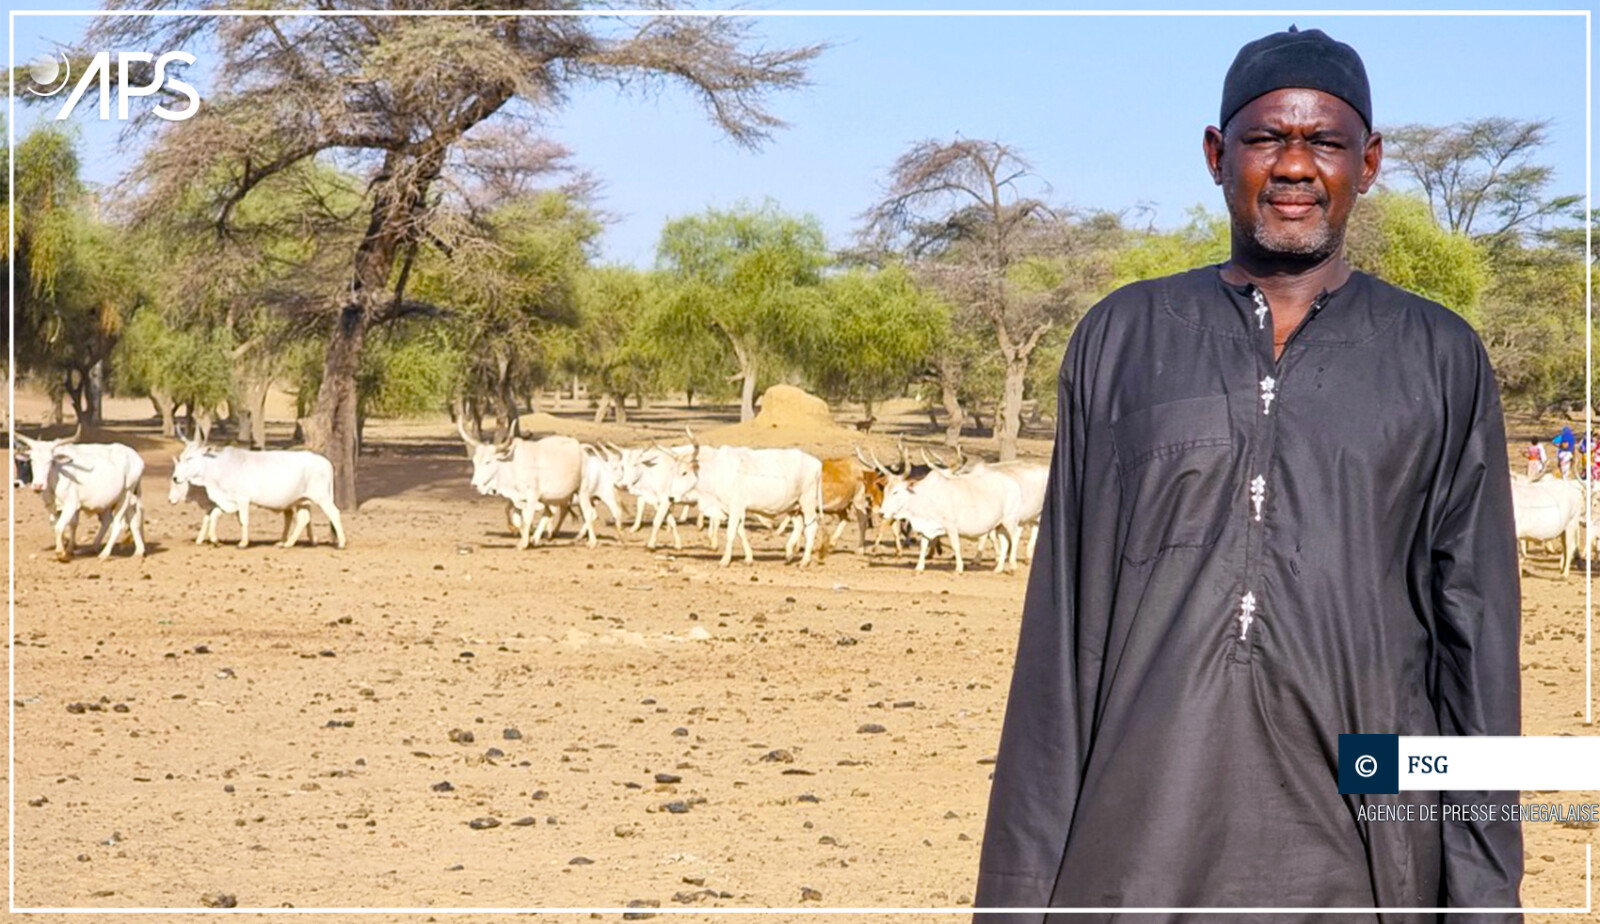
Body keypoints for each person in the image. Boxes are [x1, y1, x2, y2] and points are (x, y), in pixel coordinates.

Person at [975, 26, 1521, 923]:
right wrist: (1016, 900)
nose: (1296, 166)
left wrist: (1484, 900)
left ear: (1370, 162)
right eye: (1268, 138)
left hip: (1366, 858)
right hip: (1135, 858)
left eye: (1326, 142)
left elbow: (1477, 647)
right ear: (1217, 154)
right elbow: (1060, 640)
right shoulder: (1122, 339)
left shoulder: (1439, 357)